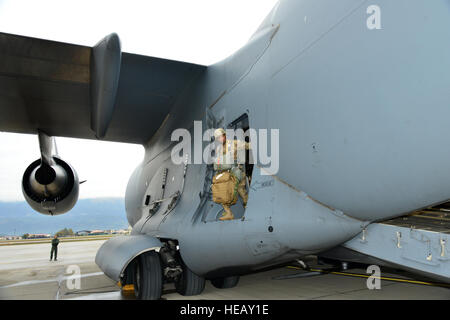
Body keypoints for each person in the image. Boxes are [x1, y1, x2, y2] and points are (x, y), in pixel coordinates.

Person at [213, 128, 250, 221]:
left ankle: (248, 209)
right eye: (218, 138)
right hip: (225, 173)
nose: (220, 139)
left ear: (225, 135)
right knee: (221, 191)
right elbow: (218, 163)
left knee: (241, 191)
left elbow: (246, 146)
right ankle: (228, 213)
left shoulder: (234, 143)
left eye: (221, 136)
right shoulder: (218, 149)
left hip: (236, 170)